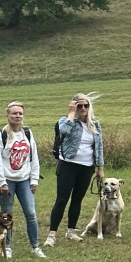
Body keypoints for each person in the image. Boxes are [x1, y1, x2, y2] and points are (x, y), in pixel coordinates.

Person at [0, 102, 46, 259]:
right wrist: (2, 182)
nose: (18, 116)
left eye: (20, 113)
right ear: (7, 116)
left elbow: (33, 158)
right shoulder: (0, 135)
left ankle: (35, 246)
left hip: (24, 180)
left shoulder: (27, 133)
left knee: (31, 213)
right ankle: (7, 247)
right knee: (7, 215)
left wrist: (34, 179)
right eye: (14, 113)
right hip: (7, 181)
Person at [45, 93, 105, 246]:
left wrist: (100, 168)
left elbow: (99, 147)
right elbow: (63, 131)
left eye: (86, 105)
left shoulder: (95, 124)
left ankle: (71, 231)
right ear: (74, 106)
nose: (83, 108)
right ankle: (52, 234)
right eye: (80, 105)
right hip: (68, 165)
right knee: (62, 200)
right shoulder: (66, 121)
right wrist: (71, 113)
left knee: (77, 200)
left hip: (86, 167)